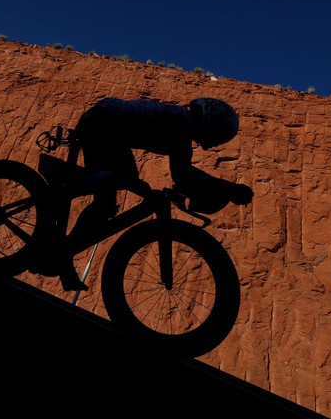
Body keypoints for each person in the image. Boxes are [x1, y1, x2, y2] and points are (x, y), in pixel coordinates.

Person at [55, 96, 254, 291]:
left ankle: (64, 251)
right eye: (218, 136)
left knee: (112, 196)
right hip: (103, 123)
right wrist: (229, 189)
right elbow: (183, 173)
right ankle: (66, 195)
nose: (214, 144)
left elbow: (183, 175)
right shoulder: (180, 124)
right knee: (115, 185)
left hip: (108, 127)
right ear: (209, 122)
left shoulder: (180, 122)